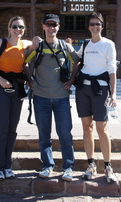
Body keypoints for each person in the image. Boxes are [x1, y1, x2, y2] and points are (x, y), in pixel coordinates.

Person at [24, 13, 80, 182]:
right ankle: (47, 166)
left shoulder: (65, 46)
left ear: (58, 27)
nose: (51, 27)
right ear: (43, 27)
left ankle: (68, 167)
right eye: (48, 24)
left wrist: (71, 80)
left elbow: (77, 62)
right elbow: (24, 61)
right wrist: (29, 79)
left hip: (61, 98)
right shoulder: (38, 47)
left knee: (65, 135)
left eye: (54, 24)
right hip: (41, 97)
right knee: (44, 135)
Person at [67, 12, 118, 183]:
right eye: (92, 24)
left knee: (102, 129)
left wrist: (114, 93)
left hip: (100, 90)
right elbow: (77, 60)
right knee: (86, 127)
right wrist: (68, 47)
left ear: (102, 26)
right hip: (83, 89)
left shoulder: (108, 44)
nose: (95, 26)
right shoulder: (86, 44)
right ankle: (91, 165)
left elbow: (112, 69)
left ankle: (108, 166)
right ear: (88, 27)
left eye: (98, 24)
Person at [0, 15, 34, 180]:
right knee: (2, 128)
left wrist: (30, 79)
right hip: (1, 87)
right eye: (15, 26)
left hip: (17, 88)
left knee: (12, 129)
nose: (18, 30)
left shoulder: (24, 44)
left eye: (21, 27)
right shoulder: (1, 43)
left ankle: (7, 167)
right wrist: (0, 80)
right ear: (9, 28)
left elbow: (31, 53)